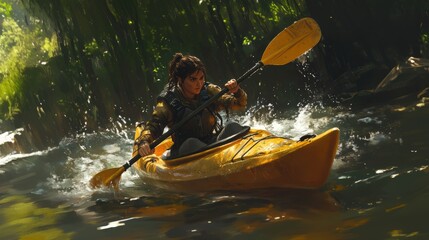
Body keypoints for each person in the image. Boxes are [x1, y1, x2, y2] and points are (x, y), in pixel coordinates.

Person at [136, 53, 247, 159]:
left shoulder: (208, 90)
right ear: (181, 80)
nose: (199, 84)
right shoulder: (167, 102)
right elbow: (153, 127)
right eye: (193, 79)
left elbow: (239, 104)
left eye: (201, 78)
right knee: (192, 143)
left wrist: (237, 91)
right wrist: (144, 142)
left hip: (211, 143)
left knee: (232, 126)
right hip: (186, 153)